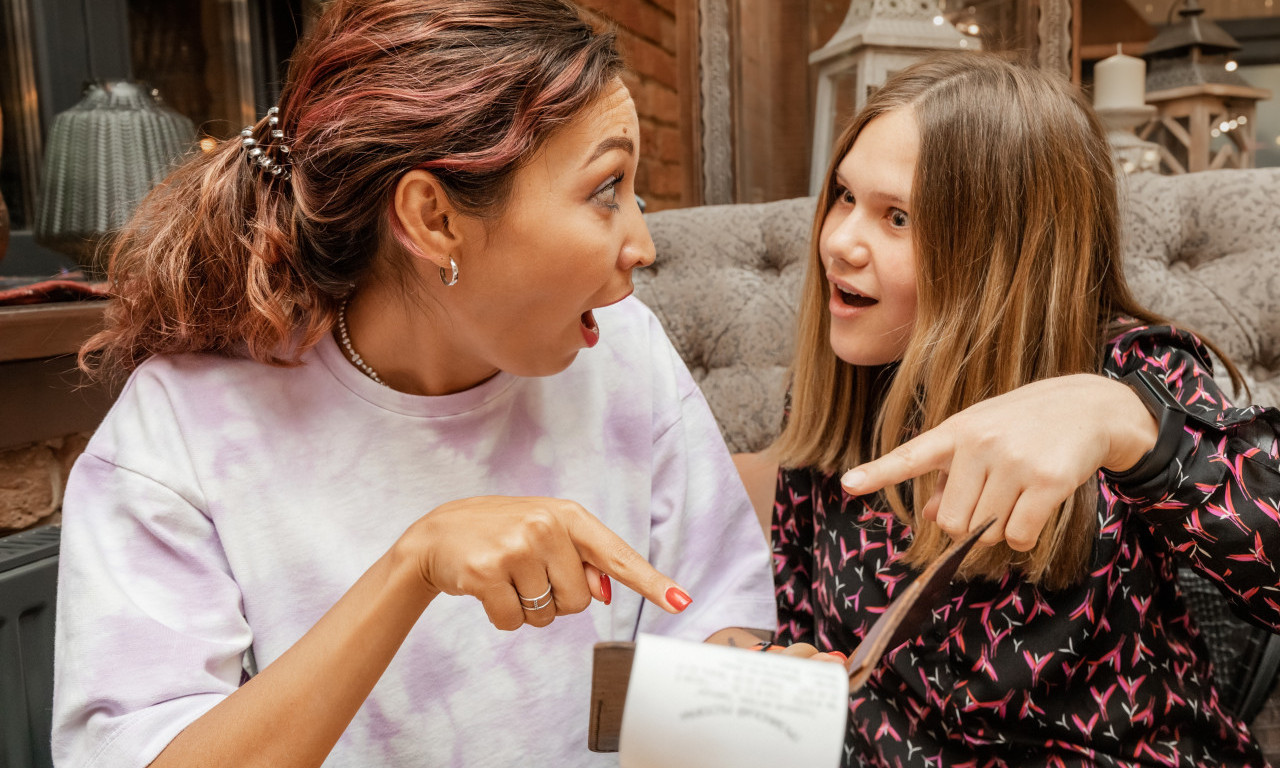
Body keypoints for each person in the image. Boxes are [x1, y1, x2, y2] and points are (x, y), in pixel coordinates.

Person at [50, 2, 777, 766]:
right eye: (606, 189)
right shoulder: (182, 430)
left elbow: (711, 624)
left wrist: (762, 710)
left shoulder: (626, 356)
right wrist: (413, 568)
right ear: (432, 218)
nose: (643, 244)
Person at [747, 51, 1280, 766]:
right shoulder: (841, 394)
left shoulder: (1131, 376)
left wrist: (1128, 429)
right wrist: (767, 664)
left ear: (1003, 250)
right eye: (844, 197)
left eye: (897, 216)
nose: (838, 242)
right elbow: (803, 626)